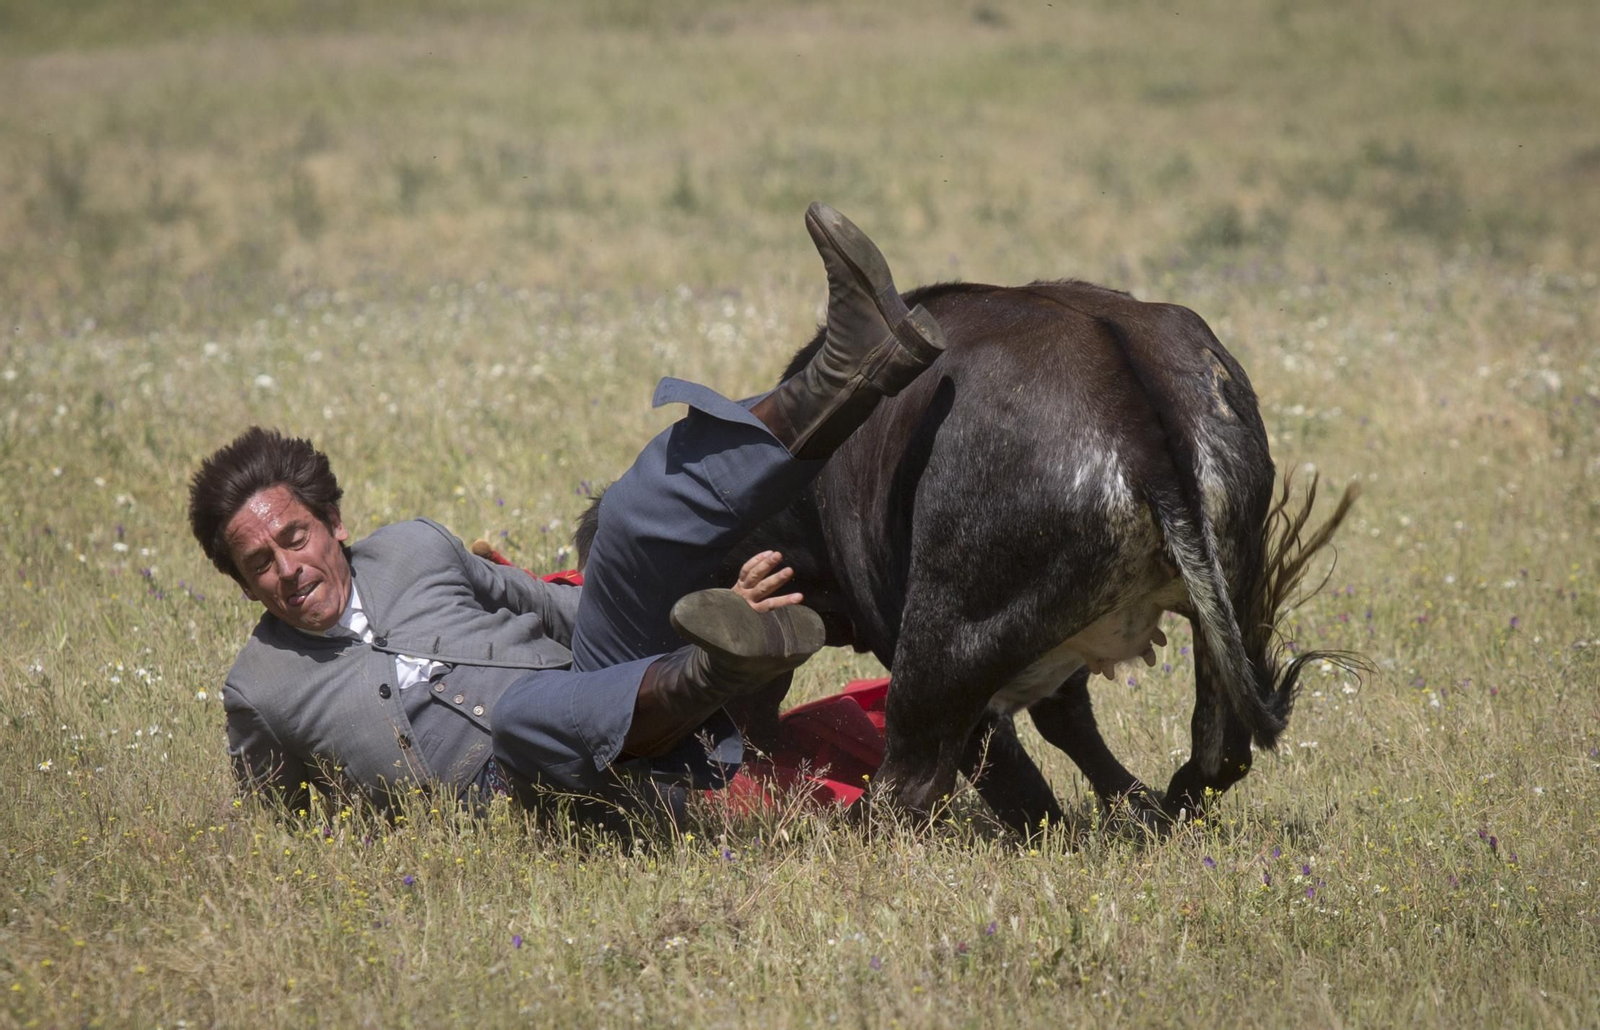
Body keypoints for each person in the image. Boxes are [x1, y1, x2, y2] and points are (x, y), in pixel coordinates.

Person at [189, 204, 945, 821]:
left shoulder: (415, 548)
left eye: (294, 537)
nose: (288, 569)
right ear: (243, 584)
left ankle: (848, 372)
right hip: (535, 801)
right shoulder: (259, 689)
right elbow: (276, 825)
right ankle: (720, 666)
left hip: (604, 702)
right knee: (527, 717)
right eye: (261, 563)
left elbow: (561, 606)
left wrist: (690, 603)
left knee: (630, 513)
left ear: (334, 523)